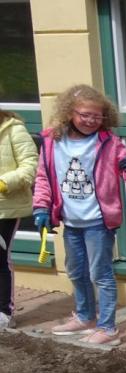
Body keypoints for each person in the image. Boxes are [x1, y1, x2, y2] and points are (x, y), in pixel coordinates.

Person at [32, 84, 126, 344]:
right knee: (76, 271)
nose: (90, 121)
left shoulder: (110, 143)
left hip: (99, 220)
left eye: (96, 116)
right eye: (84, 115)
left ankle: (108, 328)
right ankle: (86, 317)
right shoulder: (53, 141)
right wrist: (41, 206)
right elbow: (43, 177)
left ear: (105, 116)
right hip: (70, 220)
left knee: (101, 273)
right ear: (69, 113)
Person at [0, 108, 39, 330]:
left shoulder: (13, 129)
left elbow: (30, 165)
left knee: (0, 259)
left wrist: (4, 183)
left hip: (5, 208)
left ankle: (4, 311)